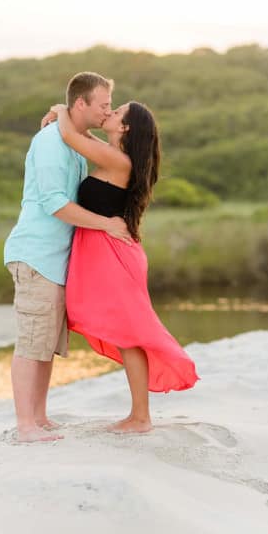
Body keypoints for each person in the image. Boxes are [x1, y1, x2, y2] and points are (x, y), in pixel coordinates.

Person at [41, 99, 197, 434]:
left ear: (125, 128)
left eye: (117, 112)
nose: (109, 114)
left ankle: (140, 418)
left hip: (112, 253)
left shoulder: (117, 160)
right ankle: (139, 415)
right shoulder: (113, 154)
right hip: (107, 251)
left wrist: (60, 108)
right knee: (128, 333)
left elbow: (71, 136)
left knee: (130, 334)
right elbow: (82, 138)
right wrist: (67, 118)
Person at [1, 72, 131, 443]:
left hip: (56, 262)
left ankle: (38, 418)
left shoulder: (74, 140)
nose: (107, 111)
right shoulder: (51, 143)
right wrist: (107, 225)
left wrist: (58, 113)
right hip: (36, 255)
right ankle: (26, 425)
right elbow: (55, 203)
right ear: (81, 104)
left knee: (44, 344)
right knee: (30, 343)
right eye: (103, 104)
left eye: (110, 105)